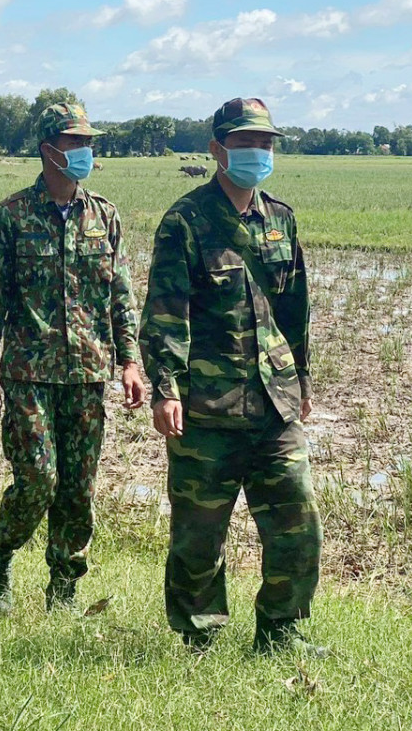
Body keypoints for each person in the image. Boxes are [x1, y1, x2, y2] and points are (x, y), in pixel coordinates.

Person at [139, 98, 325, 656]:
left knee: (297, 520)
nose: (257, 152)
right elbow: (165, 312)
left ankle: (281, 629)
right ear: (217, 149)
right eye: (245, 142)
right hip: (206, 407)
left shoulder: (281, 219)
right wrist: (166, 388)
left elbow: (294, 309)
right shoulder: (186, 221)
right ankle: (199, 635)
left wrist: (303, 382)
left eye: (265, 143)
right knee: (199, 534)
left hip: (274, 402)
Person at [0, 102, 145, 613]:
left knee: (77, 488)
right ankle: (1, 558)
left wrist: (129, 361)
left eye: (88, 142)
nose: (85, 152)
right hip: (28, 373)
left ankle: (64, 587)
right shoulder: (10, 216)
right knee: (39, 478)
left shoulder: (104, 216)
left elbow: (120, 294)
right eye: (75, 143)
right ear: (48, 149)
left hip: (88, 374)